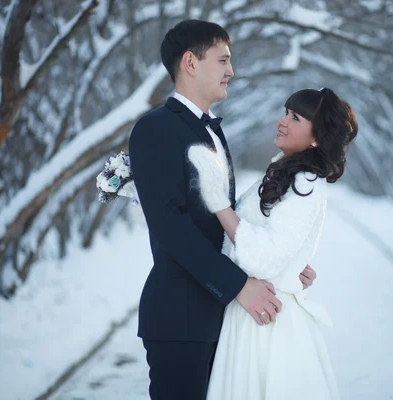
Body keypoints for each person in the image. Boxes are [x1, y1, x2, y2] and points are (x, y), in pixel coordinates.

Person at [128, 20, 317, 400]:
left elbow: (223, 219)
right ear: (190, 63)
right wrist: (239, 286)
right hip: (182, 318)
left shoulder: (209, 129)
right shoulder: (156, 128)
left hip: (218, 316)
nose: (231, 71)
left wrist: (281, 264)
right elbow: (172, 227)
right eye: (223, 60)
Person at [187, 87, 358, 399]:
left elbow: (263, 259)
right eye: (286, 112)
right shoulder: (288, 171)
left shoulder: (304, 181)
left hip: (267, 322)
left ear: (317, 136)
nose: (283, 121)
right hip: (256, 310)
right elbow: (275, 244)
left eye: (296, 118)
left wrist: (218, 203)